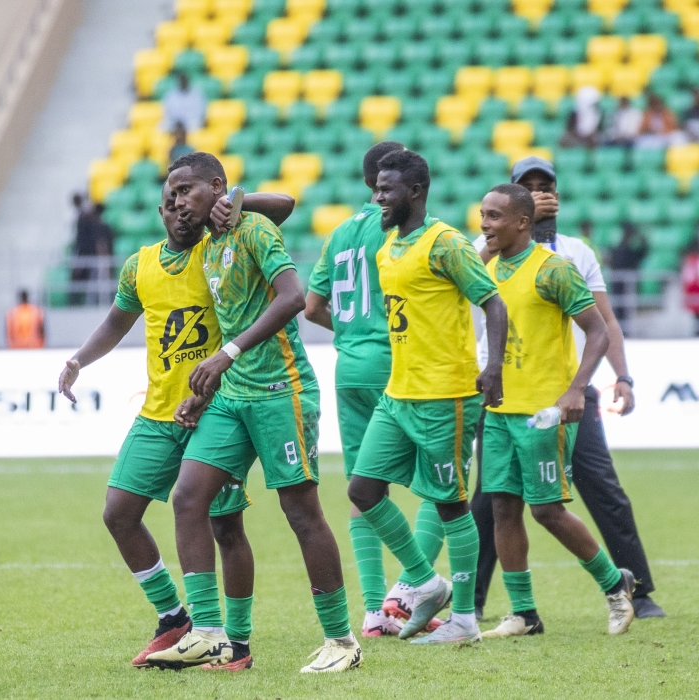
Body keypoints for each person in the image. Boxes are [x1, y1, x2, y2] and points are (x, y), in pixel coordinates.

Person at [57, 177, 294, 672]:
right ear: (160, 215)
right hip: (158, 413)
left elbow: (284, 207)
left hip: (213, 408)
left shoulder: (220, 248)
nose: (177, 209)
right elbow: (116, 323)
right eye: (168, 203)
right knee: (118, 512)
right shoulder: (139, 265)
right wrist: (80, 359)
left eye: (185, 201)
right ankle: (173, 617)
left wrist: (234, 204)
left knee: (225, 525)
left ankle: (235, 640)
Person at [143, 152, 361, 673]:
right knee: (189, 497)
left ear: (218, 188)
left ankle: (342, 641)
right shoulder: (206, 244)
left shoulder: (254, 229)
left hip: (279, 389)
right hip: (232, 395)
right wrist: (205, 387)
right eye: (170, 194)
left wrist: (228, 355)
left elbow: (293, 299)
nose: (175, 200)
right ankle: (213, 636)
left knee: (301, 511)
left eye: (186, 189)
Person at [468, 156, 665, 620]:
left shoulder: (572, 254)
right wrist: (514, 223)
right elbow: (461, 281)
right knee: (494, 502)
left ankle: (635, 590)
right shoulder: (488, 246)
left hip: (562, 394)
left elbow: (604, 323)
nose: (541, 192)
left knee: (595, 492)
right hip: (498, 393)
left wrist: (621, 376)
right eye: (528, 186)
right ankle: (487, 606)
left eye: (547, 184)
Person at [346, 149, 507, 645]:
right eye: (375, 189)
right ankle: (424, 581)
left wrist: (493, 368)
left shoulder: (446, 243)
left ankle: (464, 622)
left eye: (387, 190)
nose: (377, 198)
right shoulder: (388, 246)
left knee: (450, 506)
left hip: (446, 396)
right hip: (398, 394)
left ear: (415, 192)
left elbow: (493, 303)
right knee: (362, 491)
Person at [303, 141, 447, 638]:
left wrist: (348, 331)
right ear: (381, 184)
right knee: (439, 483)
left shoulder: (340, 233)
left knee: (364, 489)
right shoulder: (400, 231)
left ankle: (372, 611)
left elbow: (311, 305)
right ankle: (411, 591)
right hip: (400, 364)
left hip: (349, 370)